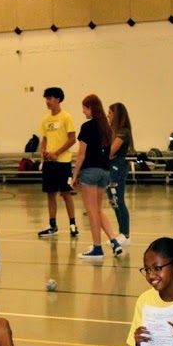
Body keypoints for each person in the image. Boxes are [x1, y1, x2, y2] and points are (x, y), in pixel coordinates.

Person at [72, 94, 121, 260]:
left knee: (91, 211)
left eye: (84, 108)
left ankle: (97, 248)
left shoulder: (87, 127)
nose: (83, 112)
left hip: (90, 172)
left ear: (90, 108)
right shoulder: (106, 128)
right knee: (98, 209)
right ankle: (114, 241)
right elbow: (109, 153)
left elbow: (81, 154)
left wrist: (74, 175)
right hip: (104, 172)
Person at [36, 86, 79, 238]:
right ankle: (52, 225)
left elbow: (72, 139)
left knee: (66, 193)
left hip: (62, 162)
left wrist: (57, 153)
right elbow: (45, 139)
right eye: (46, 99)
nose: (47, 102)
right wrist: (43, 152)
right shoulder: (45, 120)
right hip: (49, 163)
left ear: (58, 99)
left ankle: (73, 224)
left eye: (50, 98)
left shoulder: (66, 117)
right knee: (50, 194)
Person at [107, 102, 133, 246]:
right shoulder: (111, 131)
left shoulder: (123, 132)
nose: (108, 116)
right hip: (109, 167)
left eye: (110, 113)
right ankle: (121, 232)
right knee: (113, 201)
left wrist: (106, 152)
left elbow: (110, 150)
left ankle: (125, 233)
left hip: (117, 168)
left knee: (118, 200)